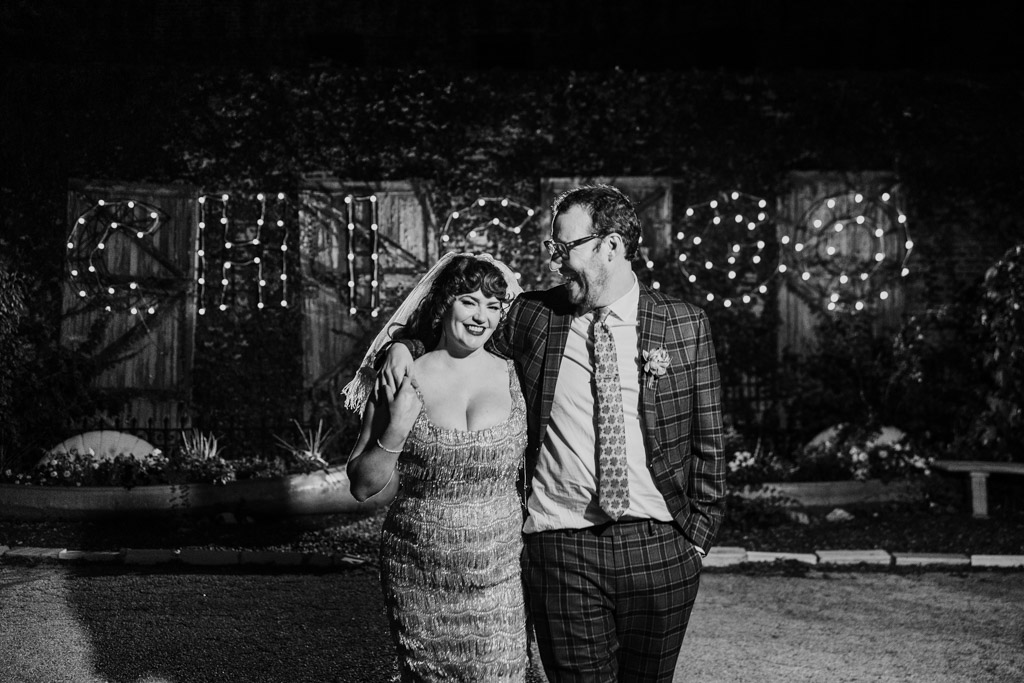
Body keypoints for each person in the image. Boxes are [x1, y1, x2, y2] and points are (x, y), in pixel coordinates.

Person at [383, 184, 726, 682]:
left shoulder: (684, 326)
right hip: (562, 549)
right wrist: (404, 345)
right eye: (552, 249)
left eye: (564, 248)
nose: (555, 262)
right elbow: (457, 333)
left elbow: (710, 442)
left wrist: (695, 541)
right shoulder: (534, 317)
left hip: (660, 548)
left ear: (610, 246)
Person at [343, 253, 530, 682]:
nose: (481, 316)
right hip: (418, 575)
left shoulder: (519, 374)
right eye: (469, 301)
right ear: (445, 302)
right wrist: (398, 428)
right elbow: (361, 485)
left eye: (493, 305)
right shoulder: (400, 378)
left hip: (500, 575)